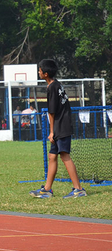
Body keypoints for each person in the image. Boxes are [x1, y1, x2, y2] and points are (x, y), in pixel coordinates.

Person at [30, 59, 86, 199]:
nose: (39, 72)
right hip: (60, 125)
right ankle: (47, 189)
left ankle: (78, 189)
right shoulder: (56, 85)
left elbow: (52, 112)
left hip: (61, 126)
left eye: (40, 70)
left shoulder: (52, 87)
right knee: (52, 156)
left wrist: (51, 131)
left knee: (64, 155)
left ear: (46, 73)